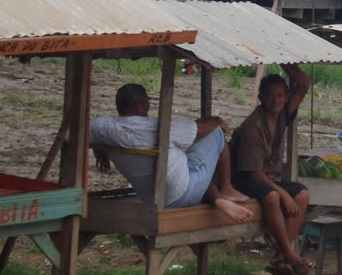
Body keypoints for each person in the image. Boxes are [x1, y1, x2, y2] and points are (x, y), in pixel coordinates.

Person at [90, 83, 253, 224]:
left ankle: (218, 200)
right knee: (216, 133)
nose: (148, 107)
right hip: (183, 193)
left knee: (191, 168)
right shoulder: (157, 126)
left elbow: (73, 134)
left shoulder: (103, 127)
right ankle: (226, 187)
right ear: (139, 105)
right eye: (147, 102)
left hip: (152, 199)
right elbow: (200, 129)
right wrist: (217, 121)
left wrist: (100, 150)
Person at [230, 67, 314, 275]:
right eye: (269, 96)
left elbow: (303, 84)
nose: (275, 100)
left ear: (285, 98)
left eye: (279, 95)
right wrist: (284, 195)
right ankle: (289, 254)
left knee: (302, 194)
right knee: (273, 196)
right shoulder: (253, 127)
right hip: (243, 178)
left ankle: (279, 256)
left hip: (269, 177)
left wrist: (285, 60)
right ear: (260, 97)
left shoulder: (283, 114)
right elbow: (254, 174)